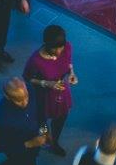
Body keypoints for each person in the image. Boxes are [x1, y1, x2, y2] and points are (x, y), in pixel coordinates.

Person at [23, 24, 77, 156]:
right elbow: (27, 77)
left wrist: (72, 73)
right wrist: (46, 83)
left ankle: (55, 142)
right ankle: (45, 137)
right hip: (44, 96)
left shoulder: (67, 47)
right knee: (42, 120)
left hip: (61, 92)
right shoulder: (36, 60)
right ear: (47, 44)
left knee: (61, 118)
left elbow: (69, 62)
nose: (59, 51)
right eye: (55, 48)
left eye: (61, 47)